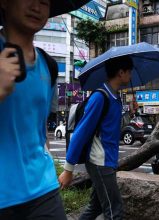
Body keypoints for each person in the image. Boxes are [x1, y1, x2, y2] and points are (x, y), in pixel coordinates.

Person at [0, 0, 70, 219]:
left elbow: (39, 133)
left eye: (45, 2)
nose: (37, 7)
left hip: (43, 189)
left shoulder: (48, 66)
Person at [59, 55, 133, 220]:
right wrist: (68, 169)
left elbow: (111, 130)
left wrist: (129, 113)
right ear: (121, 72)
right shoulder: (100, 97)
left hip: (108, 160)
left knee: (96, 206)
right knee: (115, 211)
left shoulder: (116, 98)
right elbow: (81, 132)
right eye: (129, 72)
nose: (131, 76)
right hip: (100, 161)